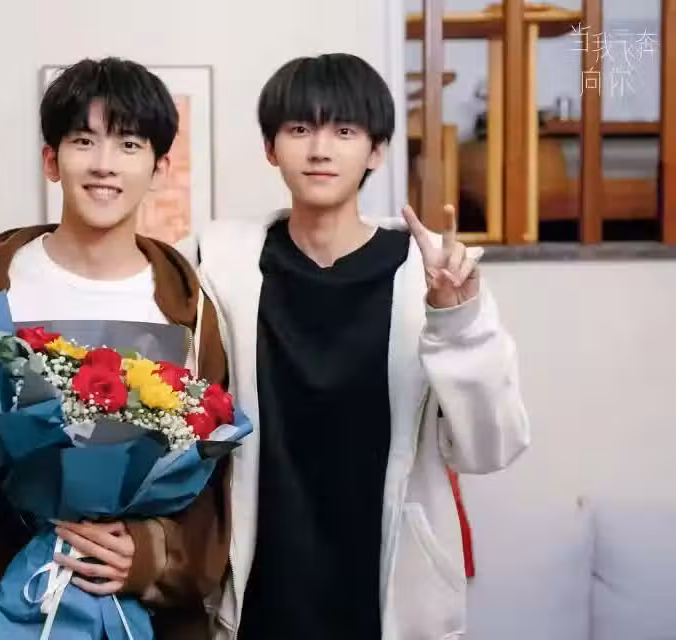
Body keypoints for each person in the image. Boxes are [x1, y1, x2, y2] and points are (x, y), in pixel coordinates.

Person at [0, 57, 232, 640]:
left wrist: (146, 555)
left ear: (159, 168)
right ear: (51, 160)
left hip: (142, 618)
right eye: (83, 140)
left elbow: (213, 480)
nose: (104, 163)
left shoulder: (189, 304)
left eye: (129, 144)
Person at [195, 53, 530, 639]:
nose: (320, 150)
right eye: (300, 129)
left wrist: (456, 320)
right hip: (260, 586)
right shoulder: (222, 264)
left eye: (344, 132)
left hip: (386, 592)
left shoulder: (427, 273)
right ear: (271, 148)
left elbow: (490, 447)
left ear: (376, 151)